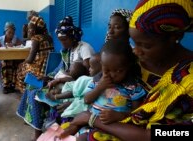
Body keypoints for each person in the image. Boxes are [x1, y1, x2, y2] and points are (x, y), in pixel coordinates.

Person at [59, 0, 193, 141]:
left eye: (145, 45)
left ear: (175, 37)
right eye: (135, 43)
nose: (136, 50)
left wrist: (92, 119)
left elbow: (155, 135)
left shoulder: (187, 81)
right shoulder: (132, 62)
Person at [16, 16, 95, 141]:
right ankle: (34, 122)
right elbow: (60, 68)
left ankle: (38, 132)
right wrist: (47, 76)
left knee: (35, 93)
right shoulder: (67, 50)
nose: (62, 43)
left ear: (73, 36)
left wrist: (60, 80)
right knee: (30, 87)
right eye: (60, 40)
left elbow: (89, 74)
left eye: (64, 39)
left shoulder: (84, 48)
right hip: (63, 81)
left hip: (76, 85)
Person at [15, 16, 54, 94]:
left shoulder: (36, 39)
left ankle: (24, 92)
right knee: (23, 65)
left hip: (38, 69)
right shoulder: (49, 37)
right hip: (48, 66)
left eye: (30, 28)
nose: (29, 31)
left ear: (36, 29)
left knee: (20, 68)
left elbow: (30, 60)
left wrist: (23, 62)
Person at [0, 22, 23, 94]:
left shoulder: (15, 38)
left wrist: (16, 44)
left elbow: (22, 44)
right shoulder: (0, 39)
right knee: (4, 64)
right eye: (9, 32)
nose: (11, 34)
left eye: (13, 33)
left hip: (13, 59)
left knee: (16, 64)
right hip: (3, 59)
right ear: (5, 32)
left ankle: (12, 85)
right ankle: (5, 86)